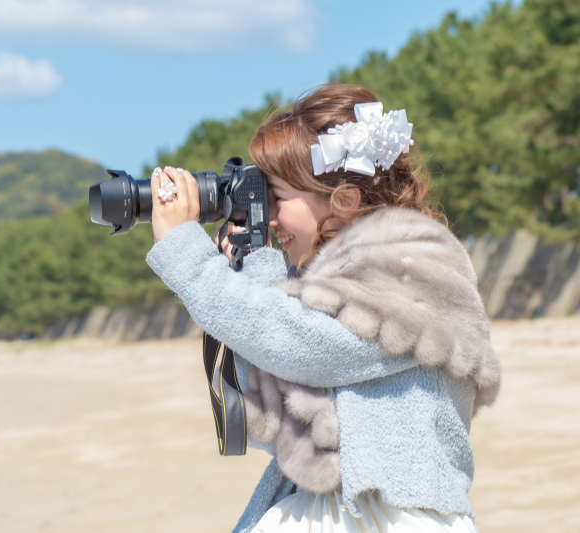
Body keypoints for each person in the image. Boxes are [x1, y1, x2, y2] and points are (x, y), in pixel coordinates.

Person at [145, 83, 501, 533]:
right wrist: (252, 265)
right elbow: (280, 406)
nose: (271, 217)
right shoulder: (338, 287)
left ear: (344, 200)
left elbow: (302, 346)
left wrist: (190, 262)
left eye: (277, 198)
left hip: (395, 517)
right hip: (337, 510)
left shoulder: (417, 269)